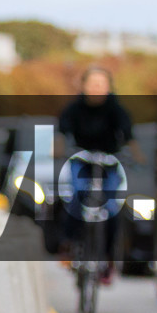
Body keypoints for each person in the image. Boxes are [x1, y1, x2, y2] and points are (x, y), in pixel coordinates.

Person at [57, 66, 138, 282]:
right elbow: (62, 131)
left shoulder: (116, 109)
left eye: (101, 84)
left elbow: (128, 134)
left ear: (109, 87)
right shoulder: (74, 108)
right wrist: (58, 148)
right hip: (81, 160)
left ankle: (108, 258)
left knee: (112, 206)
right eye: (93, 83)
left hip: (109, 163)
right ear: (84, 86)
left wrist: (137, 155)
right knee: (75, 196)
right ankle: (68, 243)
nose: (97, 88)